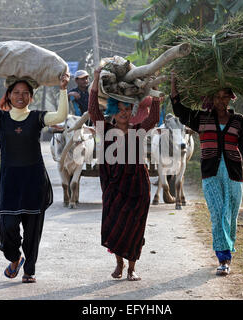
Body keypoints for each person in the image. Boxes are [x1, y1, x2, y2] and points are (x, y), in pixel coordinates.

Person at [0, 73, 70, 283]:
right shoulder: (0, 118)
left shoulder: (37, 117)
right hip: (10, 182)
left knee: (33, 231)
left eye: (25, 93)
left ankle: (29, 270)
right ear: (9, 95)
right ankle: (14, 258)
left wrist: (63, 89)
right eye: (16, 92)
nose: (20, 96)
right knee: (7, 230)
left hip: (33, 182)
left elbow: (59, 116)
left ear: (31, 96)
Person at [170, 71, 243, 276]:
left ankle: (227, 249)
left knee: (230, 215)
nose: (221, 101)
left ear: (230, 98)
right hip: (211, 174)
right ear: (210, 99)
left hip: (234, 175)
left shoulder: (239, 121)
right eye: (217, 97)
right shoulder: (201, 118)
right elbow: (179, 110)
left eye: (224, 96)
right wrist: (174, 83)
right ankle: (223, 258)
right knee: (217, 214)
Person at [89, 66, 160, 281]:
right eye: (119, 108)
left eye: (127, 109)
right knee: (115, 226)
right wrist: (94, 79)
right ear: (113, 109)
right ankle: (119, 265)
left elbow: (154, 118)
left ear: (132, 111)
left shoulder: (139, 132)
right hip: (114, 186)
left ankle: (132, 268)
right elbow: (93, 110)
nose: (123, 112)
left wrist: (155, 92)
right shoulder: (105, 130)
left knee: (135, 227)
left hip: (138, 187)